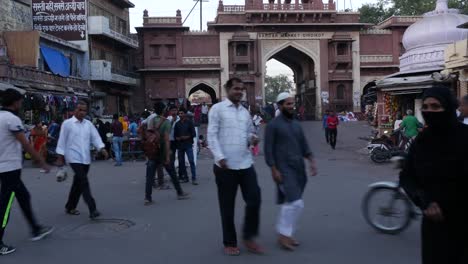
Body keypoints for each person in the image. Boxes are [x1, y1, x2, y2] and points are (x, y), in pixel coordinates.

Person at [400, 86, 468, 264]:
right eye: (426, 106)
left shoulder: (464, 137)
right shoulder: (422, 141)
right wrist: (425, 201)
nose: (429, 111)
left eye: (436, 107)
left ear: (448, 108)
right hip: (434, 226)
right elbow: (407, 177)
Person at [208, 77, 263, 256]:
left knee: (254, 199)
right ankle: (230, 242)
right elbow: (212, 135)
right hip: (225, 166)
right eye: (236, 88)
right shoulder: (217, 109)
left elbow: (248, 133)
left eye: (242, 89)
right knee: (227, 206)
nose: (239, 92)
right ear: (227, 89)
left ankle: (248, 236)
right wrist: (220, 157)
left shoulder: (245, 112)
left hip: (245, 163)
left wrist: (252, 139)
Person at [0, 89, 54, 255]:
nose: (22, 104)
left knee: (24, 197)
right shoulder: (11, 119)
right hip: (10, 168)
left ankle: (36, 228)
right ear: (15, 102)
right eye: (21, 102)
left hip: (6, 167)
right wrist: (41, 160)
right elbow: (25, 144)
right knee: (5, 206)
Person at [264, 92, 318, 251]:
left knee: (293, 204)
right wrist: (274, 169)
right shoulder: (273, 125)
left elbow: (304, 145)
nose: (291, 106)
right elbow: (268, 150)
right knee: (295, 202)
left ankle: (287, 234)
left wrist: (311, 161)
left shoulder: (296, 124)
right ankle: (283, 235)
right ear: (280, 106)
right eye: (287, 104)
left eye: (292, 103)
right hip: (283, 169)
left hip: (298, 169)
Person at [56, 100, 109, 219]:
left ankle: (70, 206)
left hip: (86, 158)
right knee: (83, 182)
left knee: (78, 184)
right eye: (80, 110)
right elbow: (62, 141)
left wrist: (102, 148)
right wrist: (60, 157)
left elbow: (95, 137)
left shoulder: (88, 124)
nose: (82, 112)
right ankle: (92, 208)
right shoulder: (67, 124)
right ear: (74, 110)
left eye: (84, 110)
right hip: (73, 158)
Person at [144, 102, 189, 205]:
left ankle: (147, 198)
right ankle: (180, 193)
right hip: (162, 152)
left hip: (152, 151)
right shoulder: (166, 122)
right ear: (164, 110)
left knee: (150, 176)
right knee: (172, 173)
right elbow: (167, 139)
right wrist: (168, 155)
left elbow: (148, 134)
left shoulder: (151, 120)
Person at [174, 108, 198, 185]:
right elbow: (175, 135)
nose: (180, 115)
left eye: (181, 113)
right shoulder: (177, 124)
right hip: (180, 145)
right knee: (181, 162)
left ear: (185, 114)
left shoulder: (189, 123)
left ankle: (194, 178)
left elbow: (194, 134)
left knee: (191, 161)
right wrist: (178, 138)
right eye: (179, 113)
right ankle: (185, 177)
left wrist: (186, 137)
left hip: (188, 144)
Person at [166, 105, 180, 189]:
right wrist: (172, 122)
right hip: (171, 141)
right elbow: (167, 130)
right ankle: (173, 175)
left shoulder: (179, 118)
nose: (174, 112)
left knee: (181, 158)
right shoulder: (168, 119)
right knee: (172, 159)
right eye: (172, 110)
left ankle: (181, 174)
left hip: (179, 140)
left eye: (175, 110)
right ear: (170, 111)